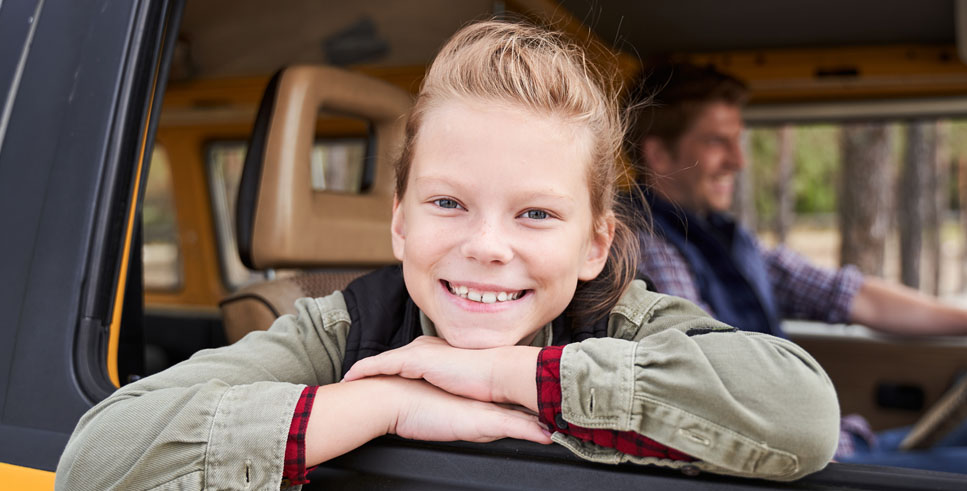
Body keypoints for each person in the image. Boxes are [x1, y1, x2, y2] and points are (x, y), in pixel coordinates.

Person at [56, 22, 841, 490]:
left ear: (595, 242)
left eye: (536, 213)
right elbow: (95, 458)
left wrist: (503, 377)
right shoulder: (341, 328)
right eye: (446, 203)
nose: (486, 246)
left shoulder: (624, 319)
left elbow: (801, 413)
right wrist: (383, 404)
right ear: (399, 224)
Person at [629, 61, 967, 483]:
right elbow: (708, 372)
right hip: (804, 468)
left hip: (837, 447)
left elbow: (851, 295)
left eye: (737, 141)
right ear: (661, 156)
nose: (738, 161)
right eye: (715, 142)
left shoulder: (723, 239)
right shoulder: (650, 247)